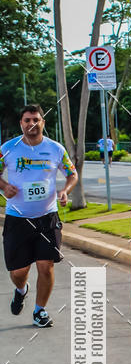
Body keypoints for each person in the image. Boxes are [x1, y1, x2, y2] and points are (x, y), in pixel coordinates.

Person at [1, 104, 77, 327]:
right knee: (18, 271)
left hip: (47, 217)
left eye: (36, 119)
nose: (31, 124)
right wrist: (4, 186)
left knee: (46, 265)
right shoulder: (8, 148)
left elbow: (72, 173)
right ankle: (21, 289)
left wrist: (65, 190)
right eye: (27, 120)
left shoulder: (55, 149)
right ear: (21, 124)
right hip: (17, 217)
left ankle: (39, 311)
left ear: (43, 122)